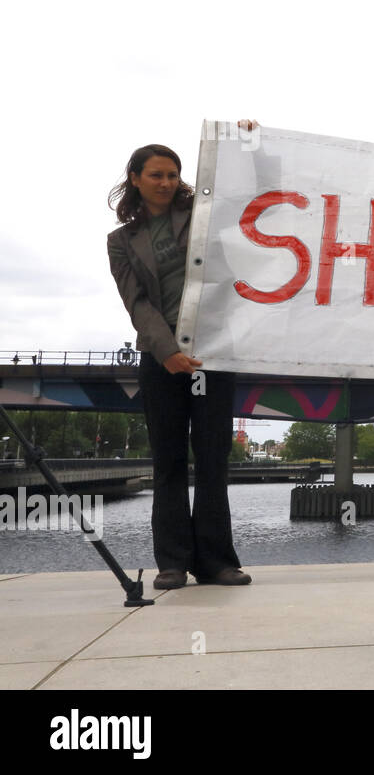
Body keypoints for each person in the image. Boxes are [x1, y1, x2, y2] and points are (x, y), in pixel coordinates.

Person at [108, 142, 250, 589]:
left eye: (172, 174)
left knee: (213, 457)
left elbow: (252, 195)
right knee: (168, 460)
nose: (166, 182)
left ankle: (217, 562)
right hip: (161, 358)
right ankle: (172, 563)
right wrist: (167, 352)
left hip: (211, 353)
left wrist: (248, 144)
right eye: (156, 175)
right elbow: (138, 303)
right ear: (135, 178)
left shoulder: (206, 217)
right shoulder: (120, 242)